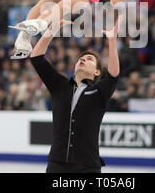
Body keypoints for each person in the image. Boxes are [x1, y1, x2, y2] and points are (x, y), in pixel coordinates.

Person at [29, 16, 121, 173]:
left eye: (89, 59)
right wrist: (52, 30)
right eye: (81, 58)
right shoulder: (60, 86)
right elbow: (37, 59)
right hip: (57, 164)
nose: (83, 59)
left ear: (97, 71)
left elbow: (113, 76)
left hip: (87, 166)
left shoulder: (99, 92)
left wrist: (112, 42)